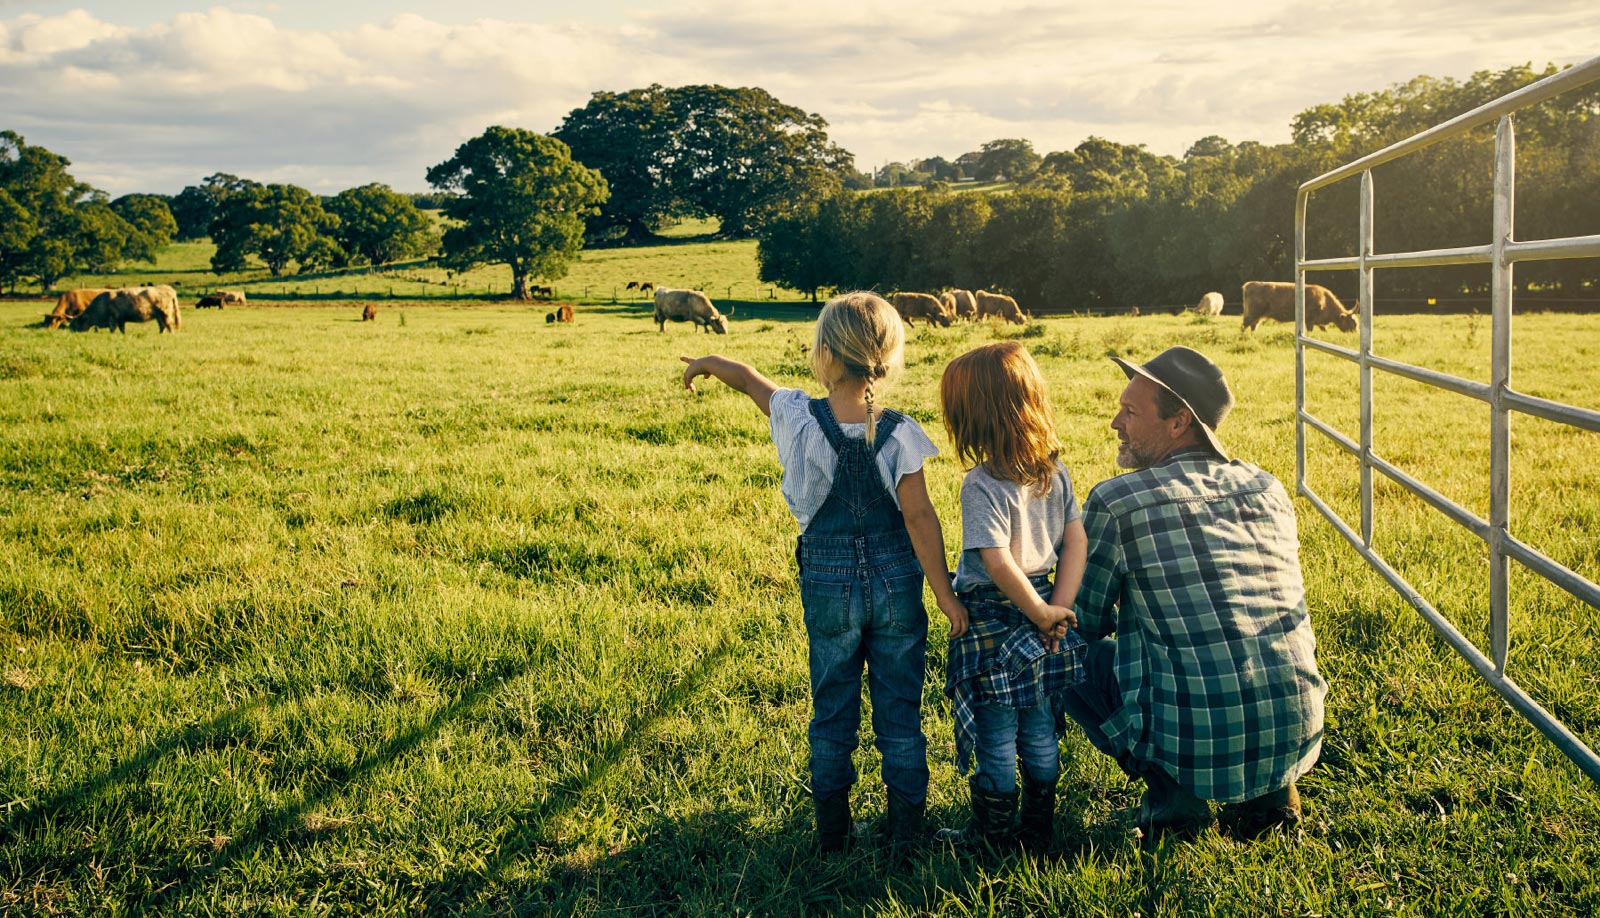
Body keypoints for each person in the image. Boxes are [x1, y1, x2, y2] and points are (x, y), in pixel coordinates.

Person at [680, 291, 968, 854]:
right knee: (900, 713)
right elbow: (919, 516)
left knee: (832, 707)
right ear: (887, 355)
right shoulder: (900, 431)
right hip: (896, 584)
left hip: (828, 583)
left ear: (826, 353)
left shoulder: (796, 414)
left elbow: (748, 380)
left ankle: (833, 836)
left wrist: (707, 364)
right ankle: (907, 834)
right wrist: (946, 596)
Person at [1062, 345, 1327, 840]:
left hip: (1197, 741)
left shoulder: (1118, 501)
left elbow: (1083, 620)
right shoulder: (1267, 487)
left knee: (1063, 649)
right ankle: (1271, 797)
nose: (1115, 423)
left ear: (1179, 421)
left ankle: (1173, 797)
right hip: (1297, 731)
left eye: (1130, 412)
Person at [935, 341, 1088, 852]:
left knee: (997, 732)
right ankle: (1038, 829)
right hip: (1045, 610)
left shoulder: (981, 484)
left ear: (975, 418)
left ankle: (993, 835)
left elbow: (997, 563)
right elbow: (1075, 542)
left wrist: (1043, 612)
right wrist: (1055, 610)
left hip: (997, 620)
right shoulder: (1055, 471)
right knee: (1041, 725)